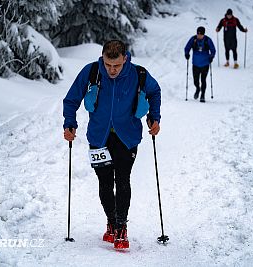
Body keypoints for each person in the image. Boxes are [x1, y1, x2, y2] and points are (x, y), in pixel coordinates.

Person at [63, 40, 161, 249]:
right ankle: (111, 222)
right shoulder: (91, 72)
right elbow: (71, 99)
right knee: (105, 182)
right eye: (108, 65)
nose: (112, 70)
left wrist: (154, 116)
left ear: (125, 59)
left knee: (122, 179)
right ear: (103, 58)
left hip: (127, 137)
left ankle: (121, 227)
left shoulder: (138, 74)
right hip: (99, 137)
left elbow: (154, 92)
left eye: (116, 65)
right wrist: (69, 122)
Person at [184, 26, 216, 103]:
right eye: (198, 34)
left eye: (201, 34)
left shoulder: (208, 40)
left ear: (203, 34)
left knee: (203, 80)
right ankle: (198, 89)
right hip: (195, 63)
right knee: (195, 80)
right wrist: (186, 54)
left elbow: (213, 50)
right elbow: (187, 47)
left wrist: (211, 57)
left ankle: (202, 95)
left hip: (205, 63)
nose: (199, 36)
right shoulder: (193, 39)